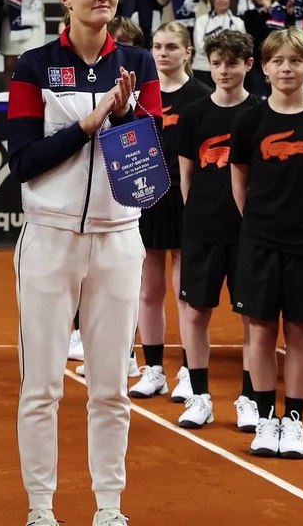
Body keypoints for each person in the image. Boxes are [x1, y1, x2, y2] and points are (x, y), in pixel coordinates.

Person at [7, 0, 160, 526]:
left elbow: (149, 163)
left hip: (119, 240)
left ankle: (109, 508)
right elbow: (22, 161)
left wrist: (123, 119)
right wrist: (88, 123)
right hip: (49, 239)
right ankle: (41, 509)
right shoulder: (34, 66)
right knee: (41, 386)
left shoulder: (139, 65)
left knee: (111, 389)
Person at [230, 27, 303, 459]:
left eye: (295, 61)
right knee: (259, 333)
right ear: (264, 68)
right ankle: (264, 420)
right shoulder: (249, 120)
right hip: (258, 241)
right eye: (277, 61)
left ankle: (293, 422)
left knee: (299, 334)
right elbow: (239, 177)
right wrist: (256, 223)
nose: (286, 68)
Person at [171, 29, 261, 431]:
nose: (224, 70)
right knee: (195, 314)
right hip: (202, 228)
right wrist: (198, 216)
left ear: (248, 65)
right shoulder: (194, 112)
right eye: (218, 62)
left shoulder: (260, 112)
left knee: (252, 318)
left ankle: (249, 399)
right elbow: (186, 174)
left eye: (232, 63)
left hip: (249, 233)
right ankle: (200, 395)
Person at [129, 21, 211, 401]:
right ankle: (155, 368)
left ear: (188, 52)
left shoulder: (201, 97)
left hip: (186, 201)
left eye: (171, 47)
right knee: (148, 288)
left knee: (183, 289)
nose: (162, 53)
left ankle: (187, 370)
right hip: (147, 197)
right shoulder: (142, 95)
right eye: (157, 46)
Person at [191, 0, 245, 87]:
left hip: (228, 69)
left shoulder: (238, 23)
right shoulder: (201, 21)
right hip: (202, 68)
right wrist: (225, 49)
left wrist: (215, 48)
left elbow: (241, 48)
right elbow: (199, 46)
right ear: (212, 0)